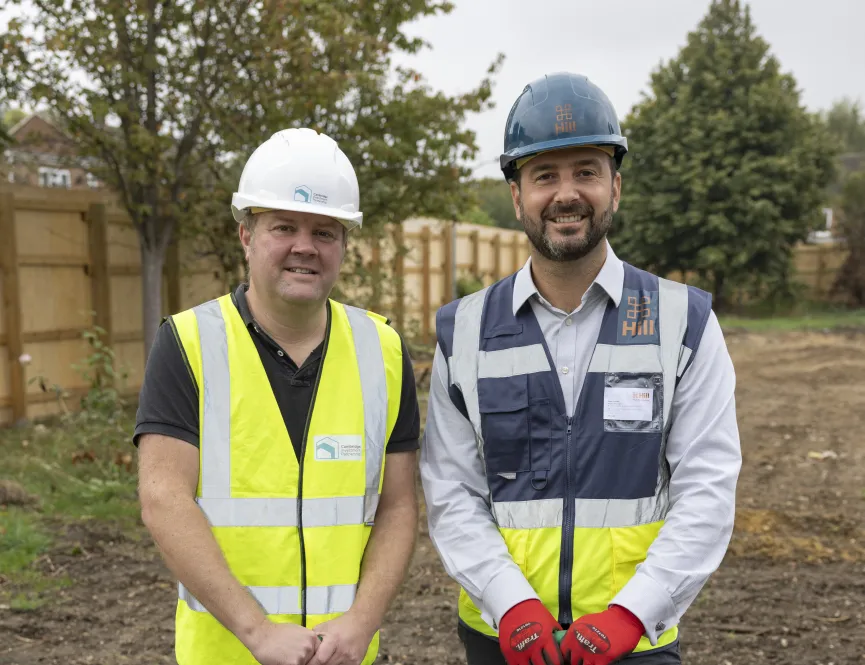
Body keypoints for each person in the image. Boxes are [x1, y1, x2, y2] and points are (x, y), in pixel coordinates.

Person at [419, 72, 742, 665]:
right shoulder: (462, 330)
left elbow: (708, 486)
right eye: (544, 175)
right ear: (517, 196)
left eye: (586, 172)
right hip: (502, 641)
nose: (566, 193)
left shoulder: (683, 322)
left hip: (633, 644)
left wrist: (632, 612)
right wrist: (510, 603)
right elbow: (451, 491)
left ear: (615, 187)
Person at [134, 128, 420, 665]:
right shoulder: (188, 343)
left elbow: (399, 504)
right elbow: (163, 498)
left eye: (324, 231)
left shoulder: (381, 349)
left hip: (346, 656)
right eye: (283, 227)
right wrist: (257, 630)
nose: (304, 246)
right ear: (246, 234)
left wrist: (362, 622)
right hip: (227, 654)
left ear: (343, 244)